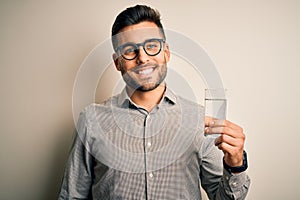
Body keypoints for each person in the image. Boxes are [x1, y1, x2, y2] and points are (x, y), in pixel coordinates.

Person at [58, 4, 250, 200]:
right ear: (118, 62)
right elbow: (71, 196)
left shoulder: (199, 120)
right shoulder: (91, 120)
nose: (142, 58)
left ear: (166, 53)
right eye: (129, 50)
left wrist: (235, 165)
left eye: (151, 46)